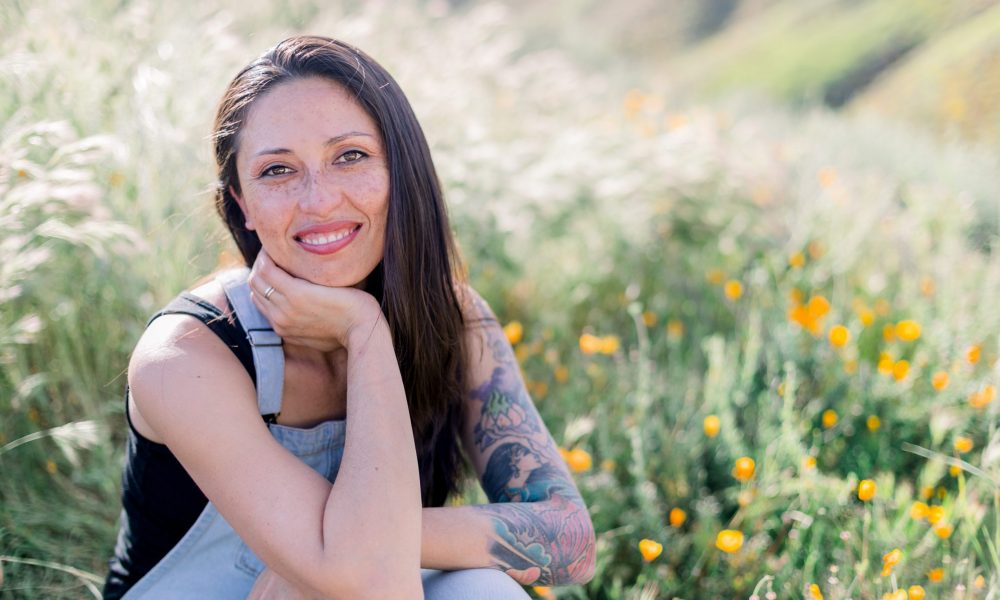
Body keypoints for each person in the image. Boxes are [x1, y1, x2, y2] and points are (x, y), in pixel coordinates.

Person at [103, 35, 596, 599]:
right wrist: (364, 332)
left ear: (400, 169)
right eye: (277, 170)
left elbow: (570, 541)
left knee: (482, 589)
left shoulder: (453, 323)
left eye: (350, 156)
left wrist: (367, 335)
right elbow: (366, 574)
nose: (319, 200)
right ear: (242, 203)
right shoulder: (186, 355)